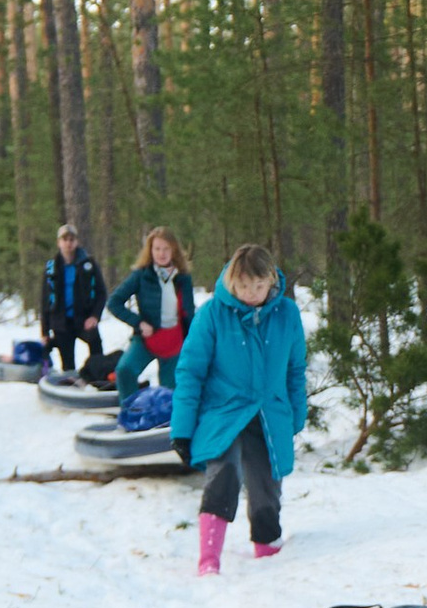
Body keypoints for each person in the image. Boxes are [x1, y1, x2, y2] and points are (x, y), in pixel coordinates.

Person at [171, 241, 307, 571]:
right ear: (232, 281)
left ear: (271, 280)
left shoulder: (287, 314)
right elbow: (190, 372)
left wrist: (296, 416)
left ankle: (268, 554)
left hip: (269, 412)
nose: (251, 293)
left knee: (266, 485)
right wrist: (182, 430)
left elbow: (295, 370)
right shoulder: (213, 314)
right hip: (224, 411)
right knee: (224, 473)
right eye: (244, 285)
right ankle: (208, 560)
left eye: (258, 285)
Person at [104, 226, 196, 402]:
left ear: (174, 250)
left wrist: (193, 343)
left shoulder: (183, 278)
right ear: (150, 250)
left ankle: (166, 422)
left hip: (174, 342)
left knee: (171, 394)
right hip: (147, 339)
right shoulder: (140, 275)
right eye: (157, 249)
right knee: (125, 370)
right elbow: (114, 302)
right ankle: (131, 411)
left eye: (166, 248)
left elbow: (189, 313)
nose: (162, 253)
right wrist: (139, 323)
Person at [40, 226, 109, 381]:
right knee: (68, 364)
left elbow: (101, 293)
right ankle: (71, 387)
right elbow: (44, 300)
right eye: (65, 239)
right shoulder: (52, 268)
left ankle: (99, 377)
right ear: (59, 243)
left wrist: (94, 316)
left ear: (77, 241)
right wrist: (44, 331)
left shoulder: (88, 264)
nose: (68, 243)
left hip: (83, 318)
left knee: (96, 345)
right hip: (60, 322)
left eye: (72, 239)